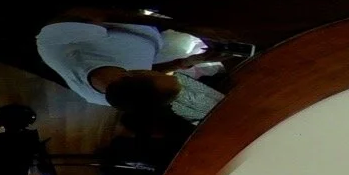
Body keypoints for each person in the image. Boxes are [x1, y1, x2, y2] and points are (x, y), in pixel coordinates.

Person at [34, 19, 225, 126]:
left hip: (143, 17)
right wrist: (187, 62)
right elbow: (153, 71)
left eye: (158, 75)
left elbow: (92, 14)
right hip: (156, 31)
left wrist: (181, 23)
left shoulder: (61, 47)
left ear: (135, 73)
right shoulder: (121, 91)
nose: (164, 72)